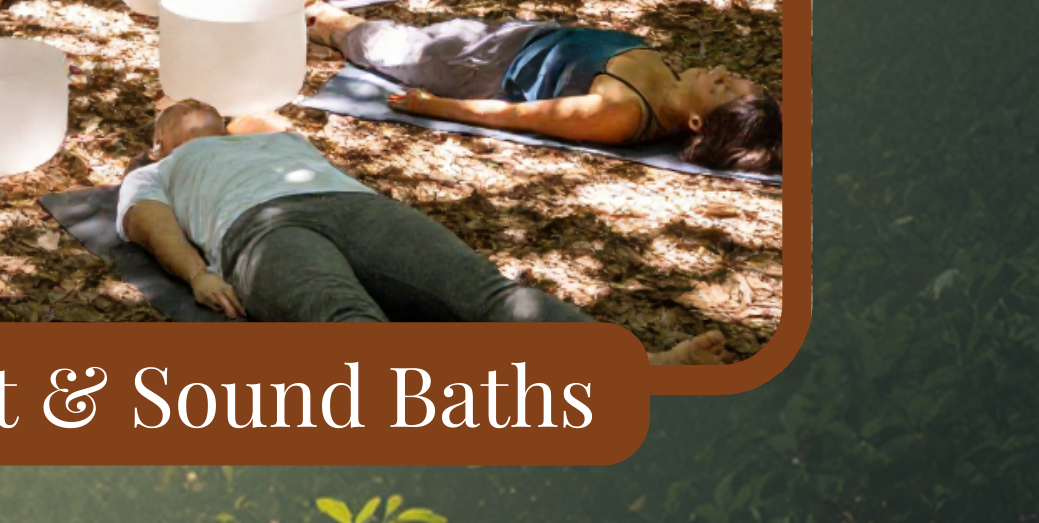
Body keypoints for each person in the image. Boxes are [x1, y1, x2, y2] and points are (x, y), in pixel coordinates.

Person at [119, 98, 727, 361]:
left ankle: (640, 367)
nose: (189, 103)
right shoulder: (158, 170)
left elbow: (264, 115)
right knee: (345, 323)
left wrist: (239, 121)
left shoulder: (271, 133)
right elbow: (150, 226)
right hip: (257, 232)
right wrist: (198, 274)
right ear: (157, 143)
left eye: (204, 104)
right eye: (174, 108)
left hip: (353, 205)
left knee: (488, 295)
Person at [302, 0, 782, 172]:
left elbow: (516, 116)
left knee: (382, 45)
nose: (721, 72)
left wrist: (435, 106)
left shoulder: (623, 112)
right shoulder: (670, 85)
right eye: (733, 77)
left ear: (697, 120)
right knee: (402, 38)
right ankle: (324, 22)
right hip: (519, 38)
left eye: (723, 88)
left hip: (482, 66)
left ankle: (321, 21)